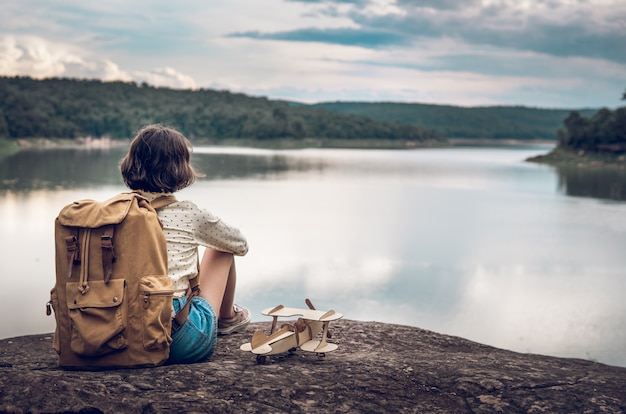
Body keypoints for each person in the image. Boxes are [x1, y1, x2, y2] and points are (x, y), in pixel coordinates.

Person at [120, 124, 250, 363]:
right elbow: (239, 244)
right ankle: (227, 318)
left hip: (117, 335)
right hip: (177, 340)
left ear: (130, 163)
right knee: (221, 249)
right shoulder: (189, 214)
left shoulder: (115, 212)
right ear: (180, 169)